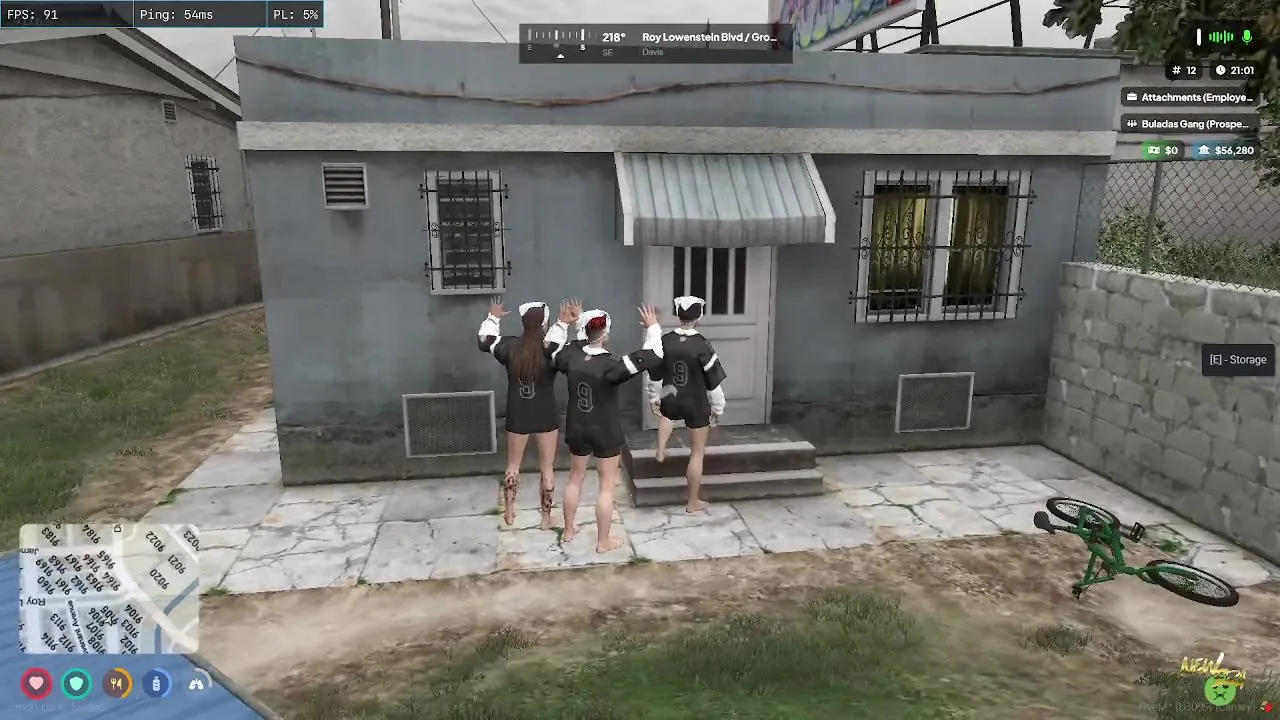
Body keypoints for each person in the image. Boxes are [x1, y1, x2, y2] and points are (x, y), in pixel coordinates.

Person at [548, 305, 663, 553]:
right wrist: (652, 328)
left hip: (577, 426)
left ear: (584, 331)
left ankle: (568, 531)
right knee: (606, 486)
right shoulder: (612, 366)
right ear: (606, 334)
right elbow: (653, 356)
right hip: (605, 429)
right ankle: (603, 541)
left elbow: (553, 348)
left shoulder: (571, 358)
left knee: (574, 478)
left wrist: (567, 323)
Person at [478, 297, 582, 529]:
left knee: (513, 465)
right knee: (547, 467)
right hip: (546, 413)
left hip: (518, 411)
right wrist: (566, 323)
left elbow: (484, 340)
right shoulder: (550, 350)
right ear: (544, 324)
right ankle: (546, 519)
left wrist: (493, 317)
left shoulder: (509, 347)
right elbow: (577, 348)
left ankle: (509, 513)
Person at [643, 296, 726, 514]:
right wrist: (718, 409)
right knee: (697, 452)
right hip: (696, 403)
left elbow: (654, 374)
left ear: (678, 314)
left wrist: (653, 397)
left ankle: (661, 448)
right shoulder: (702, 344)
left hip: (671, 396)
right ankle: (692, 502)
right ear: (699, 316)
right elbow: (714, 383)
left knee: (667, 416)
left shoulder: (666, 340)